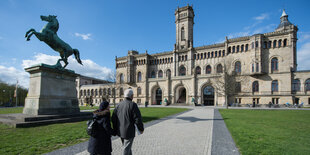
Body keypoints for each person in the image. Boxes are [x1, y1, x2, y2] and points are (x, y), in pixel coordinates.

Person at [112, 89, 144, 155]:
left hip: (120, 130)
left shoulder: (118, 105)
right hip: (128, 131)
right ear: (132, 96)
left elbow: (113, 118)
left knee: (127, 147)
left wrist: (115, 129)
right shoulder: (133, 105)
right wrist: (141, 128)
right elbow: (138, 119)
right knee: (126, 148)